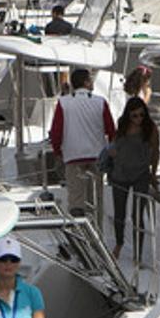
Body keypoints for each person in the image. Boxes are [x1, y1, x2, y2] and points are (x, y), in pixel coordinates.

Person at [49, 68, 115, 216]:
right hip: (97, 157)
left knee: (76, 199)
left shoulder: (64, 103)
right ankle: (96, 228)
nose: (92, 83)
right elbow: (111, 130)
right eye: (90, 80)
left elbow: (56, 132)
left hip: (73, 157)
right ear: (86, 82)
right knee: (96, 199)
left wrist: (57, 153)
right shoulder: (100, 102)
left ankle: (79, 232)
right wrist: (112, 154)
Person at [107, 98, 160, 260]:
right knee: (119, 214)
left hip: (141, 175)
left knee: (137, 215)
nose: (138, 119)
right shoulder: (121, 126)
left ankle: (138, 253)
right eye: (134, 116)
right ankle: (119, 244)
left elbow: (155, 152)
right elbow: (114, 145)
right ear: (128, 115)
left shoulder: (150, 129)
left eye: (141, 115)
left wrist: (153, 174)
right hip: (120, 175)